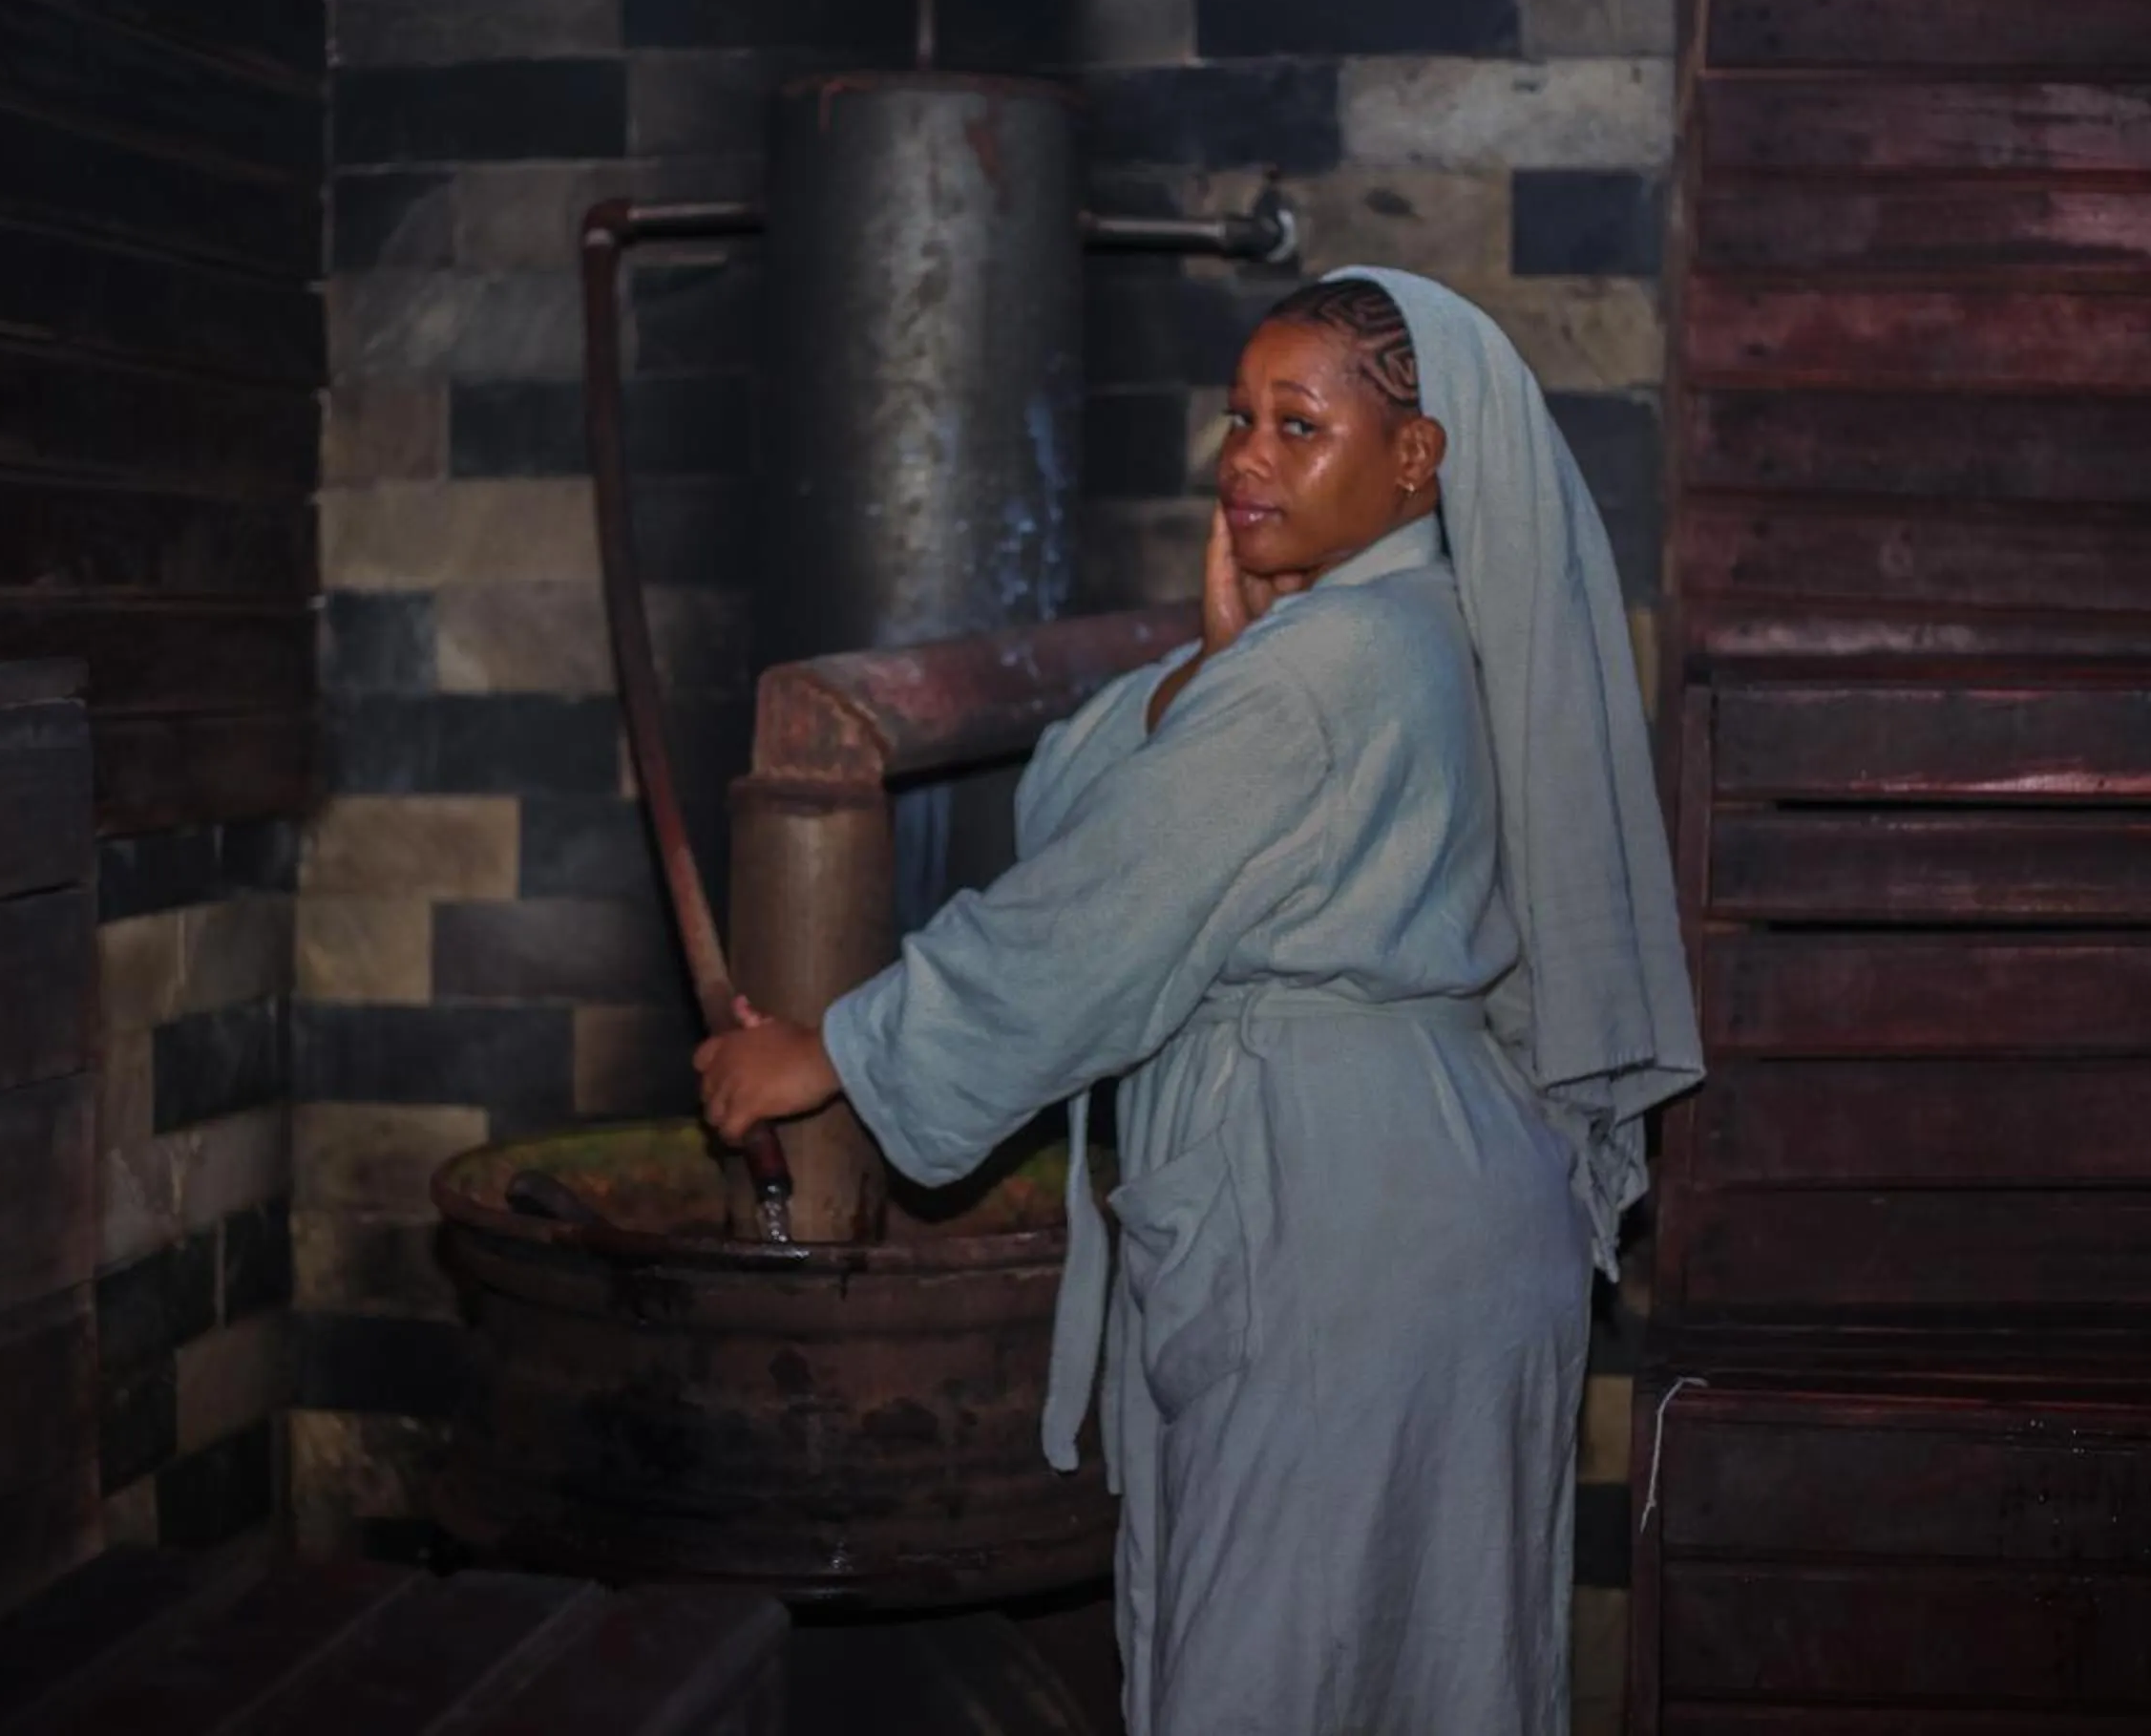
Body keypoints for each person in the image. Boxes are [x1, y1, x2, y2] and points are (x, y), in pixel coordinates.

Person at [696, 268, 1702, 1735]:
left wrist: (833, 1049)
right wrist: (1215, 670)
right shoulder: (1420, 632)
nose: (1243, 459)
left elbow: (1089, 915)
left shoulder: (1330, 671)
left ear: (1416, 460)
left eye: (1299, 426)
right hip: (1446, 1200)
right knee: (1423, 1666)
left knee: (1274, 1670)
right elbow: (1096, 810)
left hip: (1336, 1224)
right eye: (1241, 418)